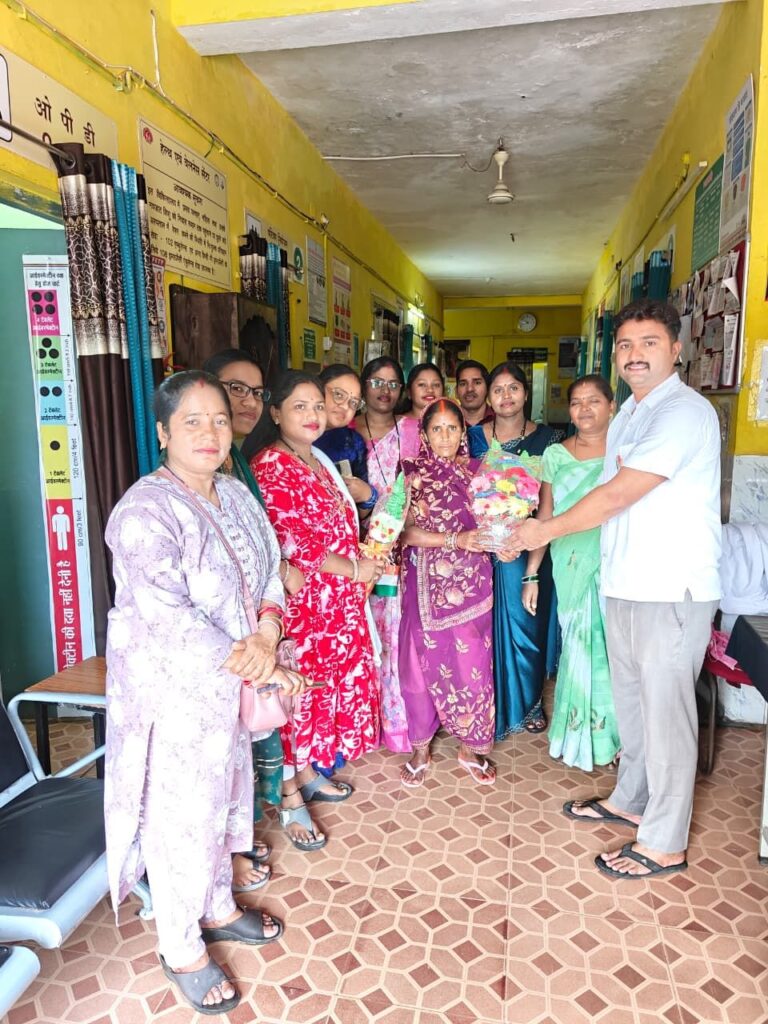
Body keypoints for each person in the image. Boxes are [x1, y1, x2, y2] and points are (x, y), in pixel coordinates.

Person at [105, 371, 295, 1014]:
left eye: (219, 418)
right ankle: (180, 945)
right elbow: (170, 617)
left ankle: (216, 906)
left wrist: (267, 631)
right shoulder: (143, 512)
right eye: (192, 420)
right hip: (175, 696)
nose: (211, 432)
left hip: (230, 690)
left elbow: (268, 570)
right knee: (180, 817)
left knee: (222, 799)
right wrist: (259, 663)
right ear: (163, 432)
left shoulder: (235, 493)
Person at [512, 299, 721, 879]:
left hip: (670, 586)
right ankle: (631, 799)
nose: (635, 355)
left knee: (667, 714)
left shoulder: (683, 412)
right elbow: (597, 492)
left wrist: (541, 531)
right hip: (624, 581)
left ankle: (664, 841)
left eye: (649, 343)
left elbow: (619, 493)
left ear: (676, 349)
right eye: (625, 345)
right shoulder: (630, 411)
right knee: (633, 705)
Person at [245, 371, 385, 824]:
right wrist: (355, 569)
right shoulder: (271, 464)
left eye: (317, 406)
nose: (313, 415)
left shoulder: (316, 458)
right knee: (299, 694)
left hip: (336, 603)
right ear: (275, 413)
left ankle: (306, 772)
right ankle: (290, 791)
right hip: (306, 605)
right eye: (300, 406)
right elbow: (293, 542)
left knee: (322, 690)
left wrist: (363, 561)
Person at [203, 348, 318, 873]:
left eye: (256, 391)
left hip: (258, 623)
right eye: (235, 389)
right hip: (218, 635)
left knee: (256, 730)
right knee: (225, 743)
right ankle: (228, 851)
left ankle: (250, 828)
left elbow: (264, 546)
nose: (247, 402)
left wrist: (269, 622)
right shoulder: (179, 483)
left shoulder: (237, 466)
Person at [524, 374, 620, 771]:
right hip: (569, 562)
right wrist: (532, 573)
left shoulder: (626, 454)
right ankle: (578, 733)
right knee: (579, 644)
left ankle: (616, 739)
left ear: (612, 406)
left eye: (594, 400)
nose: (584, 409)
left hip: (614, 560)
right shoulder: (555, 455)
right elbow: (545, 516)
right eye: (577, 402)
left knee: (614, 650)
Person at [398, 399, 496, 787]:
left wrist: (503, 540)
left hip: (472, 586)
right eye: (436, 429)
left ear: (462, 433)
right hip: (424, 586)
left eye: (452, 428)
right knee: (417, 663)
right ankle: (420, 747)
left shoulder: (479, 473)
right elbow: (404, 532)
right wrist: (457, 540)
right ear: (424, 434)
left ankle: (469, 747)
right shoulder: (411, 474)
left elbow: (494, 523)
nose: (444, 437)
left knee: (473, 663)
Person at [468, 362, 561, 737]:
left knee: (527, 626)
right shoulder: (471, 437)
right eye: (498, 390)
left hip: (525, 549)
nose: (506, 396)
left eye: (513, 388)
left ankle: (529, 703)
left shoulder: (549, 439)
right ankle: (484, 703)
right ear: (489, 398)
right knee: (479, 632)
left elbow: (549, 504)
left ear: (526, 393)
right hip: (477, 549)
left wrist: (531, 566)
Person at [354, 357, 414, 753]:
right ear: (364, 386)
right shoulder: (342, 432)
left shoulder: (410, 430)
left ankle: (397, 722)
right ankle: (361, 724)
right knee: (362, 635)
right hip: (351, 551)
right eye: (377, 381)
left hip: (399, 548)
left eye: (393, 384)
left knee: (394, 635)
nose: (385, 390)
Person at [314, 363, 377, 516]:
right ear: (317, 389)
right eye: (338, 395)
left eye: (354, 402)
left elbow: (360, 512)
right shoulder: (295, 434)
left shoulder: (353, 442)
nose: (345, 406)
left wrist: (369, 496)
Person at [455, 358, 493, 427]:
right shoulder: (445, 421)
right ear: (456, 391)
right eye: (463, 384)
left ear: (488, 389)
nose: (469, 389)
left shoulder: (500, 419)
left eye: (477, 383)